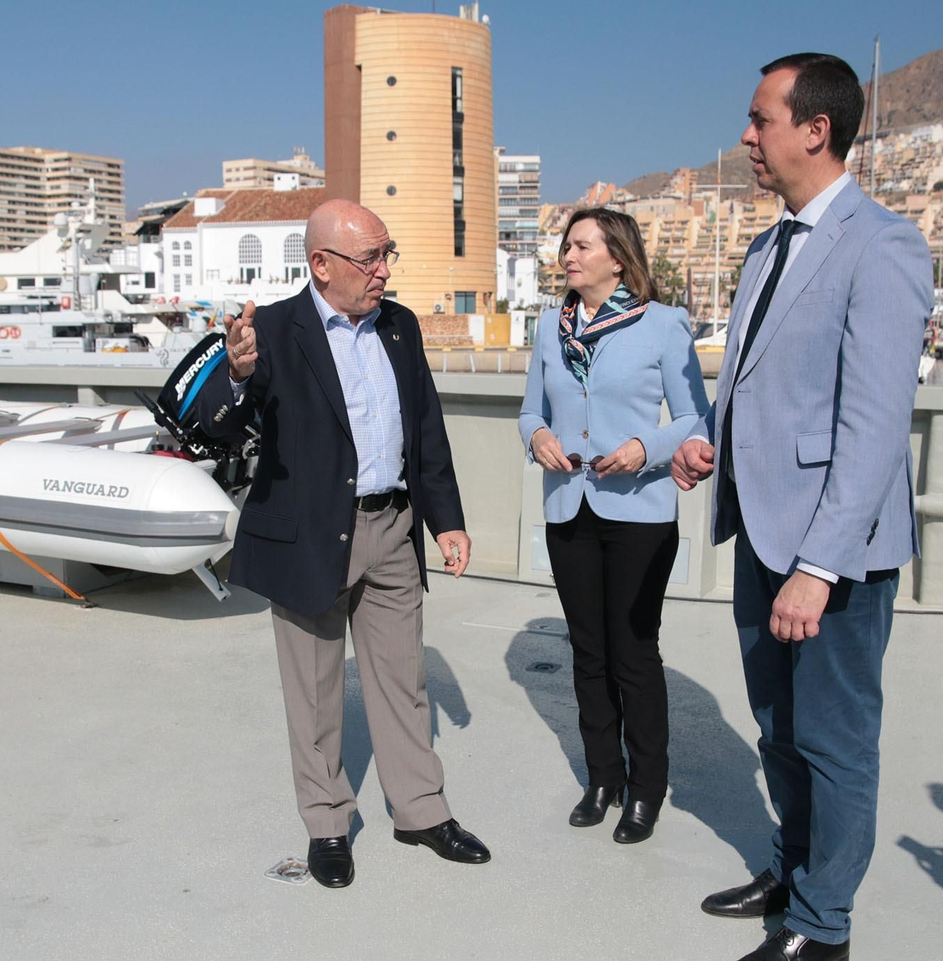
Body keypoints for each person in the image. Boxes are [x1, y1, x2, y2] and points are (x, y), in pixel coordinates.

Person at [671, 53, 932, 961]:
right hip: (761, 531)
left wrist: (818, 568)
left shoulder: (884, 245)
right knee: (777, 725)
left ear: (814, 129)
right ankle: (793, 868)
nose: (746, 138)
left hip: (833, 556)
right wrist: (711, 441)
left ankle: (823, 926)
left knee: (834, 737)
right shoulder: (766, 246)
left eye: (759, 120)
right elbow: (756, 384)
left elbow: (871, 426)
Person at [190, 199, 490, 890]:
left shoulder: (399, 327)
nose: (384, 271)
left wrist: (445, 518)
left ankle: (420, 810)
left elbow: (425, 429)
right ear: (322, 266)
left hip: (392, 528)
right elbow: (214, 427)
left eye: (388, 255)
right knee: (316, 692)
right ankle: (327, 822)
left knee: (401, 680)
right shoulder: (269, 330)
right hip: (309, 536)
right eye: (370, 258)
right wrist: (234, 375)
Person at [518, 208, 708, 844]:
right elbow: (529, 413)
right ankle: (603, 776)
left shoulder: (663, 326)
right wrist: (539, 435)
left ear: (618, 258)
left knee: (632, 653)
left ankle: (647, 788)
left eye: (580, 245)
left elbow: (693, 418)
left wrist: (643, 449)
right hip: (569, 506)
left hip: (639, 514)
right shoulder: (551, 327)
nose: (567, 255)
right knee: (587, 652)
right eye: (565, 245)